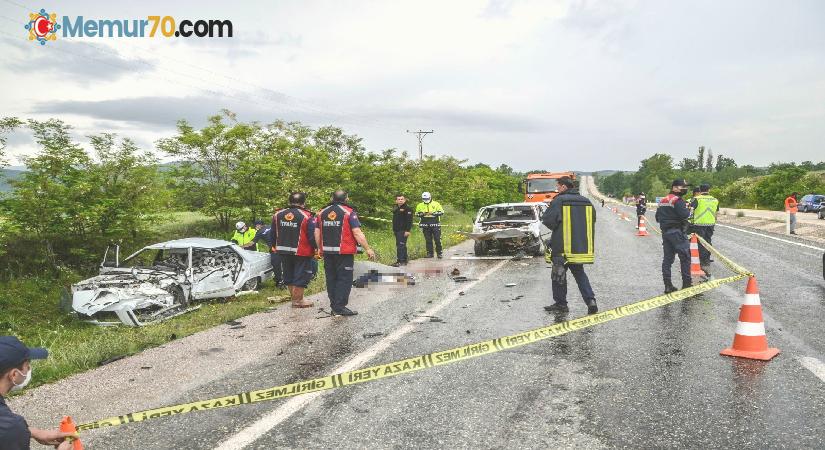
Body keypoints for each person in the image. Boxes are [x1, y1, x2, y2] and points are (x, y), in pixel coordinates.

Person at [0, 336, 75, 450]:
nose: (29, 368)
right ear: (14, 374)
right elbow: (7, 429)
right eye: (27, 365)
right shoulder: (12, 427)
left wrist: (32, 432)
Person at [540, 177, 598, 314]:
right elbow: (592, 220)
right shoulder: (587, 202)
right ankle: (591, 301)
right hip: (578, 247)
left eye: (558, 186)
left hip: (561, 247)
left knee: (558, 274)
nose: (557, 189)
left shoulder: (559, 200)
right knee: (580, 274)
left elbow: (548, 221)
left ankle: (561, 304)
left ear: (564, 187)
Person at [315, 190, 376, 316]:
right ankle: (340, 307)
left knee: (331, 278)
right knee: (344, 279)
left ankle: (334, 305)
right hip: (344, 252)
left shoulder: (321, 212)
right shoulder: (349, 212)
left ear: (332, 198)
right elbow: (357, 232)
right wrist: (368, 248)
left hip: (327, 251)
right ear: (346, 198)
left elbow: (317, 232)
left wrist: (319, 248)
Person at [272, 192, 317, 308]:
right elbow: (312, 235)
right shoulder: (307, 216)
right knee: (301, 275)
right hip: (301, 251)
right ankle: (298, 301)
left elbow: (272, 233)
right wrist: (316, 248)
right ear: (304, 203)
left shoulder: (277, 215)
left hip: (282, 250)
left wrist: (273, 246)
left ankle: (295, 299)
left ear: (289, 201)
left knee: (289, 274)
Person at [655, 179, 694, 293]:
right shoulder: (678, 200)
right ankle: (687, 284)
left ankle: (668, 285)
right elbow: (685, 215)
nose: (685, 189)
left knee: (667, 260)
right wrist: (689, 208)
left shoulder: (663, 200)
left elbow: (657, 218)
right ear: (675, 188)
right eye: (683, 187)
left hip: (666, 233)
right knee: (685, 257)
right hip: (677, 232)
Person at [689, 184, 719, 266]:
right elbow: (716, 213)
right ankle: (707, 259)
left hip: (699, 223)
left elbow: (690, 211)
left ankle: (701, 260)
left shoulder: (696, 199)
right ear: (709, 190)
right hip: (711, 223)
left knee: (700, 242)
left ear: (700, 190)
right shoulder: (715, 200)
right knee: (708, 241)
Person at [415, 192, 444, 258]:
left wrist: (433, 213)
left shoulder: (436, 204)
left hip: (435, 224)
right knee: (428, 240)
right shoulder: (420, 205)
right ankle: (430, 253)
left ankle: (439, 253)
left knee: (437, 239)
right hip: (425, 224)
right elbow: (416, 213)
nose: (426, 200)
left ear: (430, 197)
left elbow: (442, 212)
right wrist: (422, 214)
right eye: (424, 199)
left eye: (427, 198)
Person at [391, 194, 413, 267]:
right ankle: (404, 260)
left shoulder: (407, 209)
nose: (400, 200)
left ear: (404, 200)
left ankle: (400, 261)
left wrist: (407, 230)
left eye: (401, 199)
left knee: (400, 245)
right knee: (401, 245)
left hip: (403, 230)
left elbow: (409, 221)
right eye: (399, 199)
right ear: (396, 201)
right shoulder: (396, 208)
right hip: (397, 230)